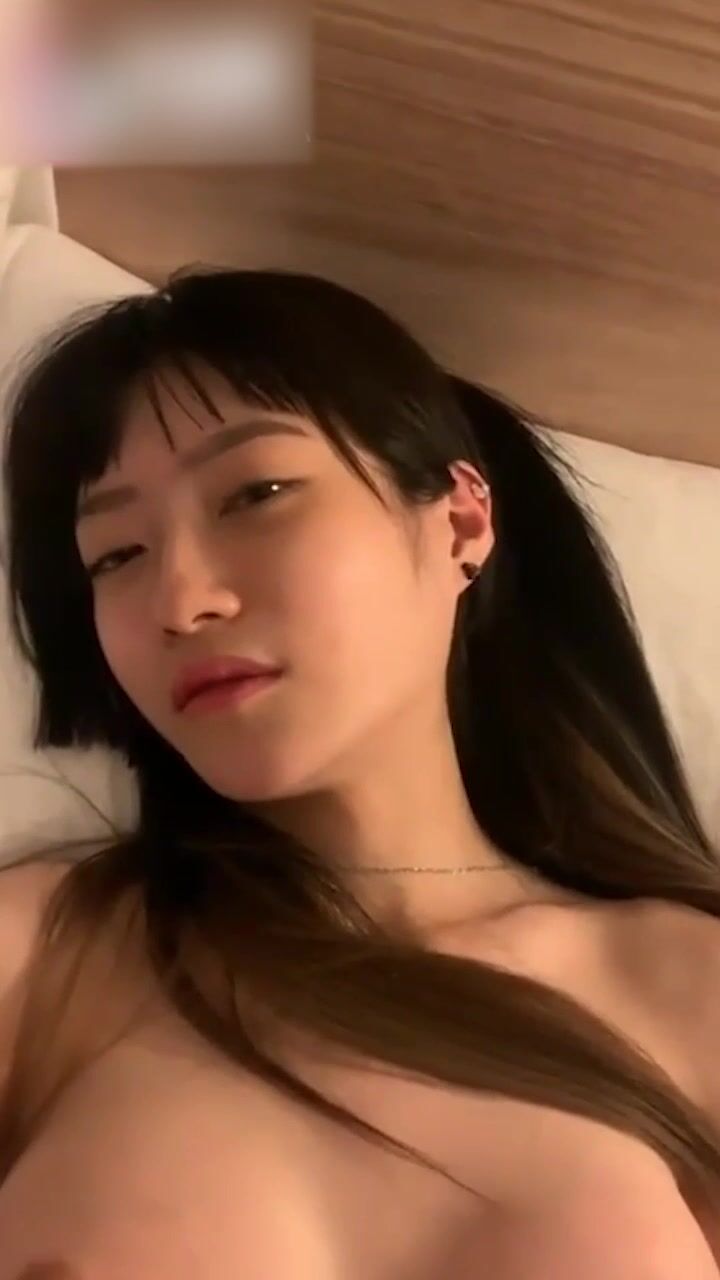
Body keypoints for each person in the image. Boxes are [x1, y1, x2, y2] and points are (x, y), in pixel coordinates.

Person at [0, 266, 719, 1278]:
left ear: (461, 521)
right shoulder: (43, 961)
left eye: (257, 494)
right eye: (116, 554)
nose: (182, 600)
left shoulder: (684, 988)